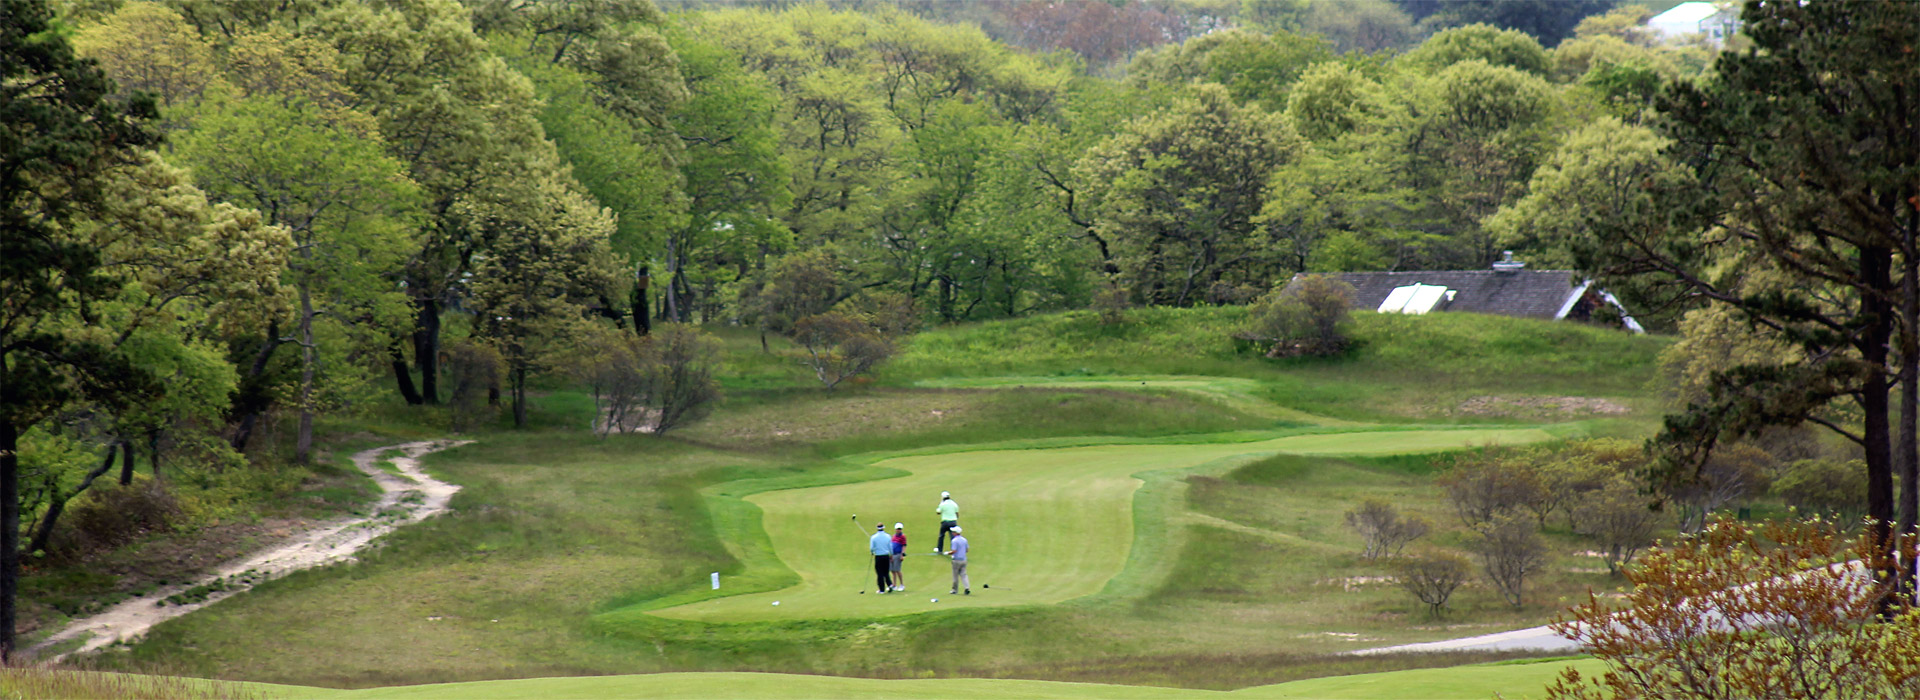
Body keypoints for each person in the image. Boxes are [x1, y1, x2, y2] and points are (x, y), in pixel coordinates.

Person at [868, 522, 892, 594]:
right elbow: (890, 547)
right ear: (883, 528)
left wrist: (872, 552)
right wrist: (891, 555)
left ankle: (882, 590)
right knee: (886, 572)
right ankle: (890, 585)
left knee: (880, 573)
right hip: (886, 556)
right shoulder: (888, 536)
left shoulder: (873, 537)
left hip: (878, 556)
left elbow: (872, 548)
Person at [946, 526, 970, 596]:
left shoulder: (954, 541)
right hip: (964, 560)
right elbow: (967, 550)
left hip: (956, 560)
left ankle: (954, 590)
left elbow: (954, 551)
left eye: (953, 532)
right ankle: (967, 587)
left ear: (955, 533)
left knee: (955, 575)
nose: (952, 533)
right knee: (964, 575)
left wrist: (948, 553)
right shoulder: (964, 540)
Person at [890, 523, 907, 591]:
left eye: (900, 529)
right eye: (897, 529)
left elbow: (904, 545)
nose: (898, 530)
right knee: (893, 570)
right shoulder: (893, 536)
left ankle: (902, 585)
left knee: (897, 570)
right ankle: (894, 585)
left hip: (898, 555)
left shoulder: (903, 536)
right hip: (892, 554)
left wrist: (902, 554)